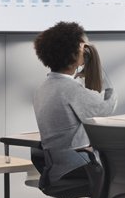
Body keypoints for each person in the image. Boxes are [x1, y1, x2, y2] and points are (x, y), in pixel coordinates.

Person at [31, 22, 117, 187]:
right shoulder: (70, 89)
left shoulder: (43, 88)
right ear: (76, 52)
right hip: (78, 166)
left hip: (56, 168)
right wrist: (98, 68)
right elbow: (107, 106)